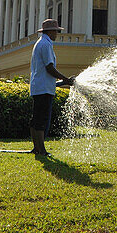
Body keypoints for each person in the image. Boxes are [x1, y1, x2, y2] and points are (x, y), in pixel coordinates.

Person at [30, 18, 74, 156]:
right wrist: (65, 78)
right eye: (56, 31)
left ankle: (36, 148)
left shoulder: (40, 43)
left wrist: (64, 81)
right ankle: (41, 150)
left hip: (40, 86)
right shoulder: (46, 44)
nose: (57, 34)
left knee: (36, 119)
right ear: (50, 32)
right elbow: (50, 68)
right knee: (41, 120)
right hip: (44, 88)